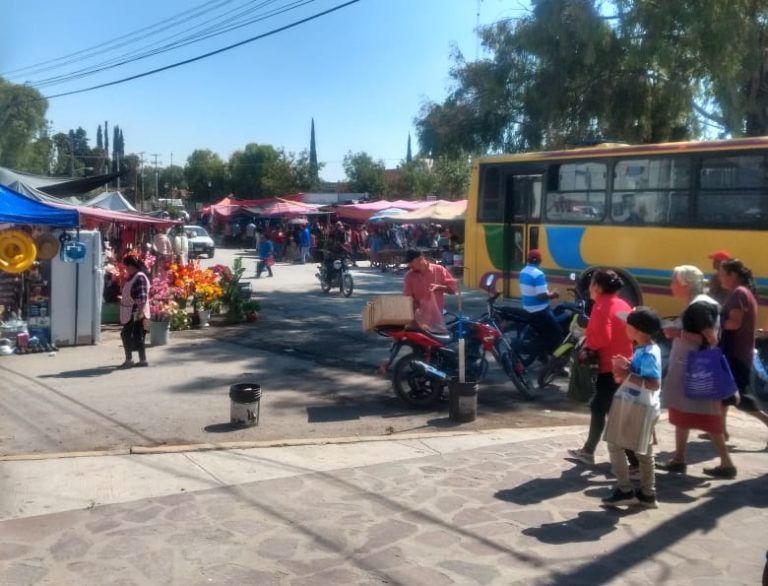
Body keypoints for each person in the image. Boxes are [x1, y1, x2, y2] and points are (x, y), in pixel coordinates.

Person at [657, 265, 737, 478]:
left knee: (707, 417)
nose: (671, 285)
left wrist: (677, 332)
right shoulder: (702, 303)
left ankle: (726, 463)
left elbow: (709, 338)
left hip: (695, 370)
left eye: (674, 280)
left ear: (685, 283)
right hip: (690, 369)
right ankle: (679, 459)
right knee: (684, 413)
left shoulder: (698, 307)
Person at [567, 269, 634, 466]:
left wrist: (588, 343)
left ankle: (593, 453)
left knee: (602, 408)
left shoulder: (601, 306)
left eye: (591, 284)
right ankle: (590, 450)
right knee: (607, 408)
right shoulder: (624, 304)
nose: (589, 288)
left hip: (609, 366)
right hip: (626, 363)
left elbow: (603, 337)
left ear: (597, 286)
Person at [601, 307, 663, 508]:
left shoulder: (648, 354)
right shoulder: (647, 350)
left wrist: (625, 372)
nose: (625, 328)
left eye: (628, 325)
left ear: (638, 330)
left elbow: (653, 383)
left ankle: (625, 489)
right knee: (644, 451)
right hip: (645, 406)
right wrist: (628, 366)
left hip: (638, 406)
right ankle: (647, 493)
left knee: (615, 444)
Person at [718, 259, 768, 439]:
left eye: (722, 274)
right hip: (739, 352)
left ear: (733, 275)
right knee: (724, 393)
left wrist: (716, 322)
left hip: (736, 353)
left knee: (741, 399)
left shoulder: (739, 293)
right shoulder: (743, 292)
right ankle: (720, 431)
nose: (720, 278)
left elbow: (734, 323)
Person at [402, 249, 457, 332]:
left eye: (411, 261)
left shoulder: (439, 270)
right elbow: (407, 299)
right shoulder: (409, 276)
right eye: (408, 262)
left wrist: (439, 287)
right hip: (417, 322)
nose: (409, 265)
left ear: (420, 258)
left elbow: (453, 290)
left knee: (439, 343)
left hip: (436, 319)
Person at [519, 249, 562, 356]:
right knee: (557, 332)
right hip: (540, 310)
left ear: (528, 259)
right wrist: (554, 294)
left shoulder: (523, 271)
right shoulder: (538, 274)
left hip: (527, 308)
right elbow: (541, 296)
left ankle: (542, 354)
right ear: (539, 260)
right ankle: (553, 356)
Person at [118, 255, 150, 369]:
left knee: (126, 334)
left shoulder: (139, 277)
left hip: (136, 311)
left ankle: (129, 360)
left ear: (131, 266)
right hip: (132, 310)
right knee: (138, 335)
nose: (126, 269)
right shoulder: (133, 277)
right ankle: (142, 360)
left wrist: (140, 312)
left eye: (126, 267)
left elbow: (142, 296)